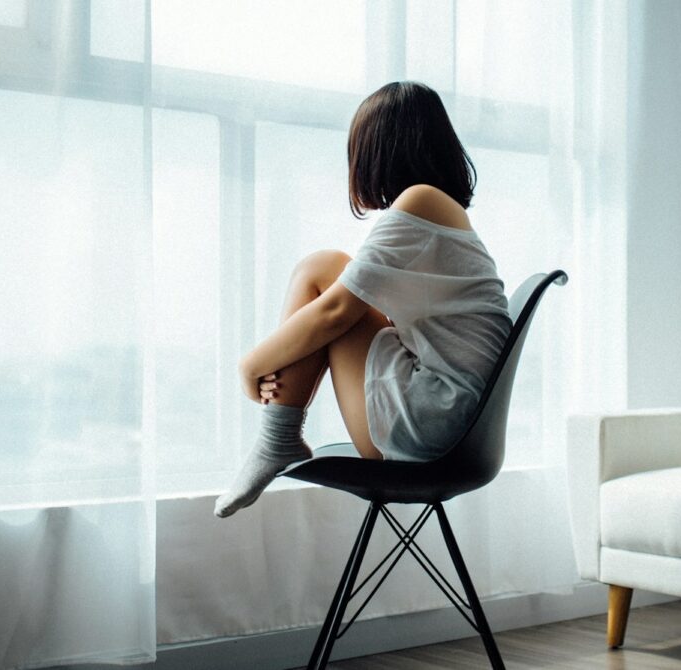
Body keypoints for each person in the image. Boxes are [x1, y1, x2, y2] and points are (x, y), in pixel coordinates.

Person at [215, 81, 512, 519]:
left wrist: (250, 365)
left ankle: (276, 438)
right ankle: (277, 437)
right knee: (328, 269)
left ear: (377, 151)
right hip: (453, 424)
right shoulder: (440, 211)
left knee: (321, 271)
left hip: (433, 427)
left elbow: (336, 312)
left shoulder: (421, 201)